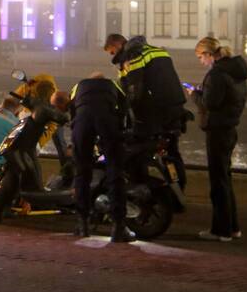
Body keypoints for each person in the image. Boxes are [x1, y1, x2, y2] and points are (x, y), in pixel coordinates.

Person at [103, 33, 189, 189]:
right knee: (171, 151)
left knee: (137, 149)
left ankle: (140, 189)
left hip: (156, 113)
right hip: (176, 108)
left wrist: (125, 111)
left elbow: (135, 91)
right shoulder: (157, 51)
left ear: (117, 45)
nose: (113, 56)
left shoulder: (133, 56)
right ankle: (179, 187)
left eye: (112, 52)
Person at [190, 36, 247, 242]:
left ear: (209, 54)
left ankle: (220, 230)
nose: (201, 61)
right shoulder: (237, 73)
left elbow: (210, 103)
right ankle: (233, 227)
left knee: (218, 182)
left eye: (200, 57)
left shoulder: (216, 74)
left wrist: (194, 94)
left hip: (217, 130)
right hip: (230, 129)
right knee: (226, 179)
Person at [69, 72, 133, 242]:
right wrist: (118, 132)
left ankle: (82, 224)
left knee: (82, 171)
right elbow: (125, 108)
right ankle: (118, 226)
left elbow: (72, 111)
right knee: (115, 171)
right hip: (107, 120)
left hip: (82, 122)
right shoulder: (114, 85)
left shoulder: (78, 86)